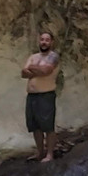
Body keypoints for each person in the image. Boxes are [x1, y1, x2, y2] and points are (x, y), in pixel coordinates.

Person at [21, 30, 61, 162]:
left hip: (46, 95)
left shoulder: (53, 57)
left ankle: (50, 154)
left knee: (48, 126)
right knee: (35, 126)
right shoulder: (34, 56)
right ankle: (40, 152)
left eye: (47, 40)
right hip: (32, 96)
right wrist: (36, 70)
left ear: (51, 42)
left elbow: (46, 71)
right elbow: (23, 73)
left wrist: (32, 68)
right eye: (42, 39)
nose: (44, 42)